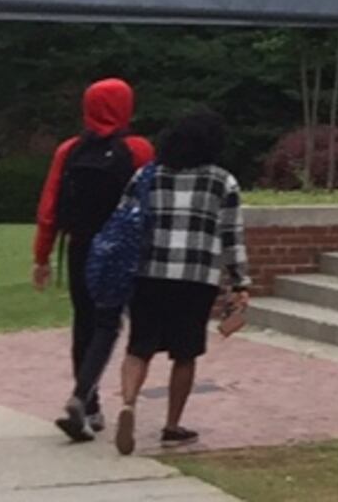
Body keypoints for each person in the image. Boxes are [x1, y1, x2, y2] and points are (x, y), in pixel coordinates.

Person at [112, 104, 251, 455]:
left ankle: (128, 403)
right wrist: (240, 281)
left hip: (149, 273)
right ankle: (172, 424)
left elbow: (122, 220)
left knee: (139, 346)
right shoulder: (223, 181)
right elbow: (231, 235)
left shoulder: (147, 175)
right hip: (196, 277)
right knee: (185, 353)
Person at [27, 77, 154, 442]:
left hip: (81, 246)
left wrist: (42, 256)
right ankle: (91, 396)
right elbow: (151, 202)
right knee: (112, 323)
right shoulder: (139, 149)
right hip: (124, 247)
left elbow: (49, 208)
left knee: (84, 323)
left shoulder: (69, 150)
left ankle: (90, 402)